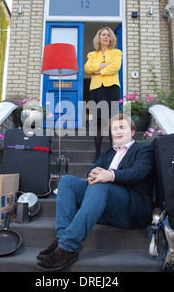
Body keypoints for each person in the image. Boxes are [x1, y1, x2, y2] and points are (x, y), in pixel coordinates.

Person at [35, 114, 155, 272]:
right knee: (67, 181)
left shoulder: (143, 149)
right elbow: (93, 170)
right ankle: (61, 239)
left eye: (122, 127)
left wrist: (110, 175)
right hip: (102, 208)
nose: (118, 131)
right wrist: (94, 174)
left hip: (129, 210)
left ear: (132, 131)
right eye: (114, 129)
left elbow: (138, 173)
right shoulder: (107, 153)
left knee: (101, 184)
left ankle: (68, 247)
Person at [84, 27, 122, 162]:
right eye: (103, 35)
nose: (106, 37)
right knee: (98, 120)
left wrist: (99, 70)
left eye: (108, 35)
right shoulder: (91, 55)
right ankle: (98, 153)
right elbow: (88, 68)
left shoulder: (117, 52)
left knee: (111, 120)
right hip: (96, 90)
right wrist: (103, 65)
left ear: (111, 38)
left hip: (111, 88)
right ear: (99, 38)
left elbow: (115, 67)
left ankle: (113, 152)